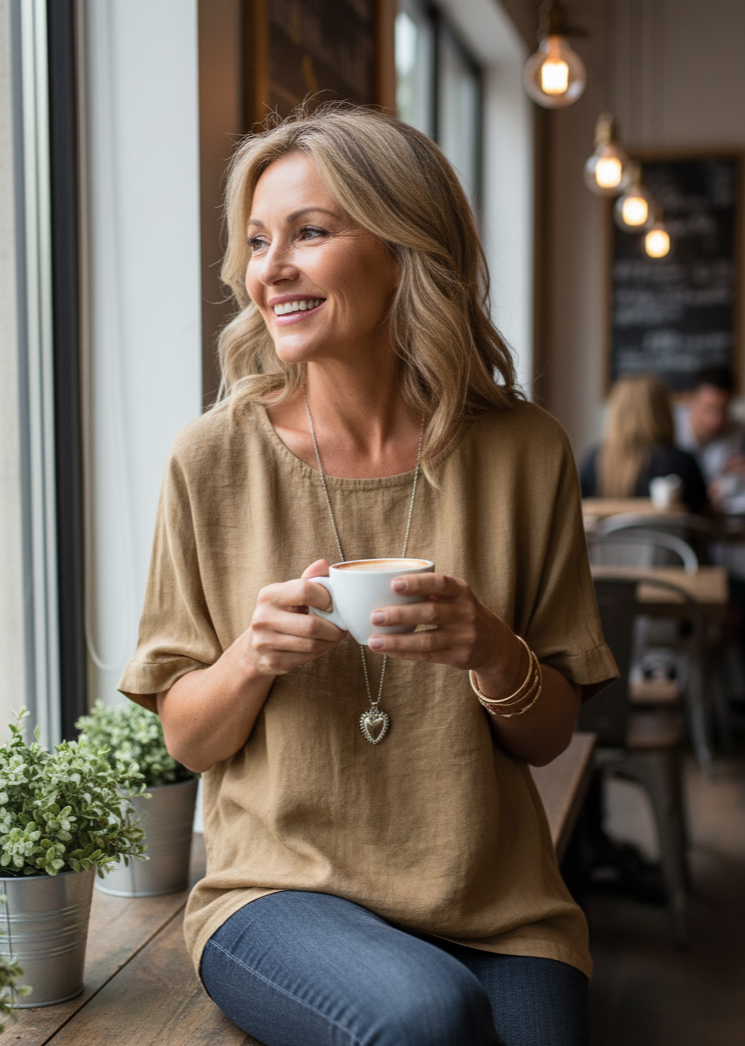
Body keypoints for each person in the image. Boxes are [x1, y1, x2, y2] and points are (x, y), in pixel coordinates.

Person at [118, 104, 617, 1046]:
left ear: (405, 248)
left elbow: (550, 735)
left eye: (311, 232)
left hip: (499, 909)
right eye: (259, 241)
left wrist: (493, 651)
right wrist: (252, 657)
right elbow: (186, 739)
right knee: (426, 1018)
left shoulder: (526, 453)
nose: (271, 269)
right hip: (277, 897)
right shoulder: (209, 461)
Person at [579, 373, 709, 514]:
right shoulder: (682, 462)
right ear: (663, 411)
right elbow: (702, 521)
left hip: (609, 537)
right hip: (665, 536)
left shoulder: (594, 461)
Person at [674, 365, 745, 508]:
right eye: (709, 409)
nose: (716, 421)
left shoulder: (738, 433)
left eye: (723, 410)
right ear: (690, 400)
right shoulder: (669, 429)